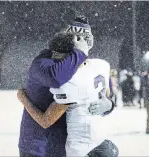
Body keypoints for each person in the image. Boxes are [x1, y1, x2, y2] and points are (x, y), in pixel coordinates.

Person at [18, 16, 116, 157]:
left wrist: (109, 105)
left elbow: (102, 96)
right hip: (40, 145)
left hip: (58, 144)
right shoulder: (44, 64)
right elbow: (56, 77)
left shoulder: (76, 74)